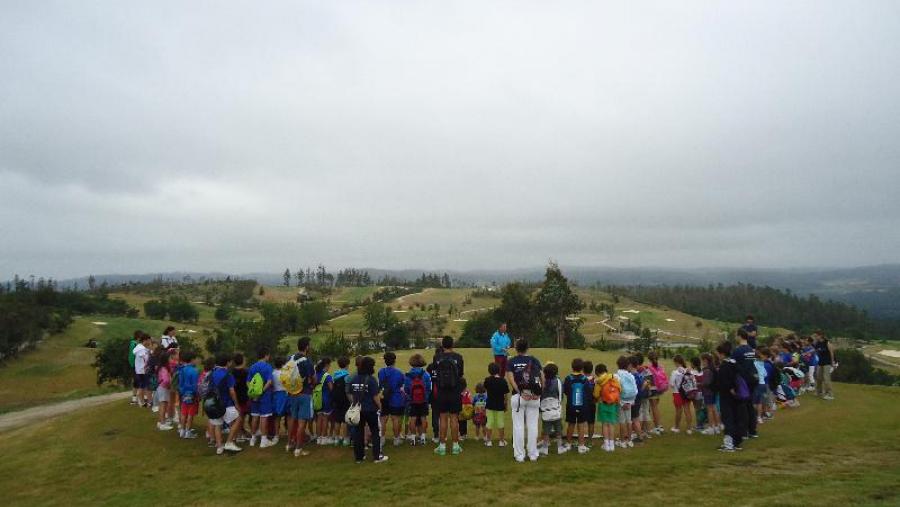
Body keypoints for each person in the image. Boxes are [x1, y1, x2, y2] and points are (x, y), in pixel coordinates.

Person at [506, 338, 543, 462]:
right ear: (528, 348)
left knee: (518, 426)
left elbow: (511, 379)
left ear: (516, 348)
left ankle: (519, 455)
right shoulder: (534, 360)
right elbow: (542, 377)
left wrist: (520, 392)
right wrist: (539, 393)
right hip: (534, 397)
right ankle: (533, 454)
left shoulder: (511, 362)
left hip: (519, 397)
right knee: (532, 426)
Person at [346, 356, 388, 464]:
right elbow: (375, 396)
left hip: (358, 410)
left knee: (358, 433)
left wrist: (354, 403)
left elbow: (349, 393)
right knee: (375, 432)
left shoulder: (354, 378)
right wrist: (380, 407)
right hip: (370, 409)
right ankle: (377, 456)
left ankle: (359, 457)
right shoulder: (371, 379)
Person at [283, 336, 316, 457]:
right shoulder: (307, 361)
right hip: (304, 393)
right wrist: (312, 383)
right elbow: (313, 378)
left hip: (292, 393)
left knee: (292, 419)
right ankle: (298, 448)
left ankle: (289, 444)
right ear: (307, 347)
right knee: (302, 422)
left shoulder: (290, 358)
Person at [434, 337, 464, 456]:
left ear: (442, 345)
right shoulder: (458, 357)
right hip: (454, 391)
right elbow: (460, 374)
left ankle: (442, 446)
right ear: (452, 345)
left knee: (442, 418)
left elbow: (435, 374)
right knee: (454, 418)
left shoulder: (437, 357)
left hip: (441, 392)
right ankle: (455, 446)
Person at [715, 341, 747, 452]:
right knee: (737, 418)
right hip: (737, 396)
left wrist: (730, 388)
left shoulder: (724, 366)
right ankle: (736, 442)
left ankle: (728, 444)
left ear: (722, 354)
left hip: (727, 396)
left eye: (718, 354)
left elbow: (723, 382)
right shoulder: (735, 363)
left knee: (728, 419)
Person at [209, 353, 243, 455]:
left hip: (214, 402)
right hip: (226, 402)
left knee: (217, 424)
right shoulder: (228, 374)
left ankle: (219, 447)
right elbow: (232, 391)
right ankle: (229, 442)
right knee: (238, 418)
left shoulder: (212, 373)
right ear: (228, 363)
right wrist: (236, 404)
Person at [732, 329, 759, 439]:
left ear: (739, 336)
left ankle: (743, 432)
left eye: (736, 335)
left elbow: (732, 366)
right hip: (752, 379)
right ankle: (752, 431)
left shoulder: (737, 351)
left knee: (742, 407)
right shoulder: (751, 349)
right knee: (750, 406)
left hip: (743, 381)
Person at [247, 347, 275, 448]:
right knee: (264, 417)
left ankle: (253, 438)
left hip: (254, 397)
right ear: (266, 355)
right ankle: (263, 440)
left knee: (255, 416)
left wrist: (253, 393)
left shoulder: (252, 367)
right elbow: (269, 382)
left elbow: (248, 382)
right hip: (265, 396)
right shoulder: (268, 367)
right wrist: (261, 392)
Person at [378, 352, 406, 446]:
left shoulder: (381, 371)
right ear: (394, 360)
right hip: (396, 398)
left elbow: (381, 384)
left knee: (383, 419)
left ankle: (381, 439)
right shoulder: (399, 372)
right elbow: (402, 385)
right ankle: (396, 439)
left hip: (384, 397)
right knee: (395, 419)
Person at [562, 358, 589, 454]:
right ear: (582, 368)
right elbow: (587, 391)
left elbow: (565, 391)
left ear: (572, 367)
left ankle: (568, 443)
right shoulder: (585, 379)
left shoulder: (568, 378)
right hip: (582, 406)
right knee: (581, 424)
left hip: (571, 405)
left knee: (571, 424)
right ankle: (581, 445)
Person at [404, 353, 432, 446]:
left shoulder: (408, 375)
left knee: (413, 418)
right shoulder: (426, 374)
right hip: (424, 400)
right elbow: (429, 388)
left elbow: (406, 389)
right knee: (423, 418)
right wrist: (426, 397)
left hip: (411, 400)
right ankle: (423, 438)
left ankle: (413, 438)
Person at [593, 364, 620, 452]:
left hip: (603, 403)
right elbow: (620, 389)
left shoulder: (599, 381)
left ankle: (606, 444)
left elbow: (596, 394)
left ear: (597, 372)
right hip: (612, 404)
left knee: (605, 424)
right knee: (611, 424)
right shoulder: (613, 378)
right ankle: (612, 445)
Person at [538, 362, 563, 455]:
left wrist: (541, 408)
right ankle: (560, 447)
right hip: (556, 409)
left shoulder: (542, 382)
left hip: (545, 411)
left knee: (546, 431)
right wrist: (558, 405)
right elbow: (560, 395)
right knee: (558, 430)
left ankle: (545, 448)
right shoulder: (558, 381)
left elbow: (540, 396)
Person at [483, 361, 509, 447]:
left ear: (489, 371)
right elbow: (505, 395)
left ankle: (488, 441)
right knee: (500, 423)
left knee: (489, 423)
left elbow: (485, 389)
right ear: (499, 370)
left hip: (490, 405)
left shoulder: (487, 380)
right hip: (500, 405)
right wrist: (506, 405)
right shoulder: (503, 381)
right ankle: (501, 441)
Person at [615, 355, 637, 448]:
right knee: (629, 420)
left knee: (622, 421)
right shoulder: (631, 375)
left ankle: (623, 441)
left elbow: (616, 390)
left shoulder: (617, 376)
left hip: (622, 400)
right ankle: (629, 440)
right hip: (630, 400)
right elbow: (635, 390)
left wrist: (621, 402)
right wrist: (631, 402)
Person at [177, 351, 199, 439]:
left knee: (184, 412)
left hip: (184, 394)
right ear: (192, 360)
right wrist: (197, 394)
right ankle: (188, 431)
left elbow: (180, 383)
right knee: (190, 413)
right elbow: (195, 384)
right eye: (195, 359)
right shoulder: (194, 371)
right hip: (192, 394)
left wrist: (182, 391)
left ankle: (182, 430)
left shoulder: (182, 369)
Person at [331, 356, 352, 447]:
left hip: (336, 400)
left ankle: (336, 438)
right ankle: (346, 439)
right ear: (347, 364)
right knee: (346, 420)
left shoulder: (335, 374)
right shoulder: (347, 376)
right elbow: (348, 390)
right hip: (345, 400)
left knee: (337, 420)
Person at [669, 355, 693, 434]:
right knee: (687, 410)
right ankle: (689, 429)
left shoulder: (675, 372)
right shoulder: (688, 371)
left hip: (677, 393)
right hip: (687, 392)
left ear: (676, 362)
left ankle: (676, 427)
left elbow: (672, 384)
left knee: (678, 411)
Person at [314, 357, 334, 445]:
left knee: (319, 418)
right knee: (325, 418)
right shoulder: (327, 376)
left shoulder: (316, 374)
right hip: (326, 399)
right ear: (327, 365)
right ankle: (324, 438)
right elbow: (331, 389)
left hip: (317, 399)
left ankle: (318, 438)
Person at [699, 353, 720, 435]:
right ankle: (717, 427)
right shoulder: (713, 368)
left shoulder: (707, 370)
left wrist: (698, 384)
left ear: (705, 360)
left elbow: (706, 382)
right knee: (714, 408)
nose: (701, 362)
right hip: (713, 391)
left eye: (702, 360)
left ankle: (711, 428)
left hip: (708, 392)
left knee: (709, 410)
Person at [646, 351, 667, 435]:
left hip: (652, 390)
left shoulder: (648, 367)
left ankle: (657, 427)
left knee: (654, 408)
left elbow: (648, 380)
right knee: (656, 408)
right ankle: (659, 426)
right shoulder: (660, 366)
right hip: (659, 389)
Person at [231, 353, 250, 442]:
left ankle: (239, 432)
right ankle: (239, 435)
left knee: (237, 416)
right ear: (242, 361)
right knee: (241, 416)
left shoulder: (231, 372)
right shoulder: (246, 372)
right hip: (243, 397)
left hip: (234, 396)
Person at [269, 356, 288, 445]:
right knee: (288, 415)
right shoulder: (284, 373)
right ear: (282, 364)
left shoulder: (272, 373)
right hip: (284, 394)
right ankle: (289, 433)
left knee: (277, 417)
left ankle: (276, 435)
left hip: (276, 395)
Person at [155, 350, 174, 431]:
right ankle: (162, 424)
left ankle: (161, 422)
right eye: (170, 358)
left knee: (162, 405)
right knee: (163, 406)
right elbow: (166, 380)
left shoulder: (161, 368)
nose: (171, 359)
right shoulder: (164, 369)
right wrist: (169, 385)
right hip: (164, 388)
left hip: (161, 388)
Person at [814, 331, 836, 400]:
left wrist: (832, 362)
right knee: (818, 377)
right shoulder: (817, 343)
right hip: (820, 362)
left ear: (821, 335)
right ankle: (819, 392)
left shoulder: (827, 343)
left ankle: (830, 394)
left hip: (827, 363)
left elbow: (831, 353)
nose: (815, 337)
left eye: (816, 336)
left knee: (826, 378)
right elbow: (815, 350)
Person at [132, 333, 151, 408]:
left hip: (140, 370)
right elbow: (145, 359)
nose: (149, 342)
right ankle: (140, 401)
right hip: (142, 370)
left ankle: (142, 401)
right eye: (149, 340)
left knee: (142, 386)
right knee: (142, 386)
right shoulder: (141, 349)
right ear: (145, 340)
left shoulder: (140, 348)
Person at [129, 330, 141, 405]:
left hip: (138, 365)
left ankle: (137, 398)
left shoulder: (138, 344)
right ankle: (134, 398)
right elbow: (131, 355)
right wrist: (133, 364)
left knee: (138, 381)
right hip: (135, 366)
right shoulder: (133, 344)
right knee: (136, 381)